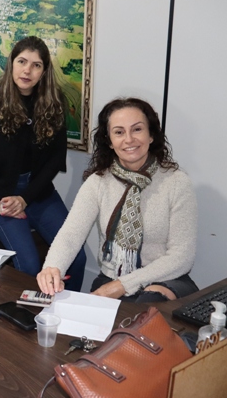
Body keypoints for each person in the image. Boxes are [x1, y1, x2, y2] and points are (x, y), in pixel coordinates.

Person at [37, 98, 199, 302]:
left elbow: (181, 257)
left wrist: (124, 285)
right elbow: (71, 234)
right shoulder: (98, 182)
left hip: (164, 280)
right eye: (119, 132)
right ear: (109, 141)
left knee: (147, 305)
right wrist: (52, 267)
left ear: (151, 135)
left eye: (137, 129)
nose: (129, 139)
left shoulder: (176, 182)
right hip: (112, 279)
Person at [0, 36, 85, 291]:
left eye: (36, 65)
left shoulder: (53, 103)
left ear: (44, 71)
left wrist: (25, 198)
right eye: (22, 61)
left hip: (38, 192)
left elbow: (54, 162)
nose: (27, 70)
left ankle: (66, 319)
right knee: (28, 265)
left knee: (77, 258)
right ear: (11, 64)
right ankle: (30, 323)